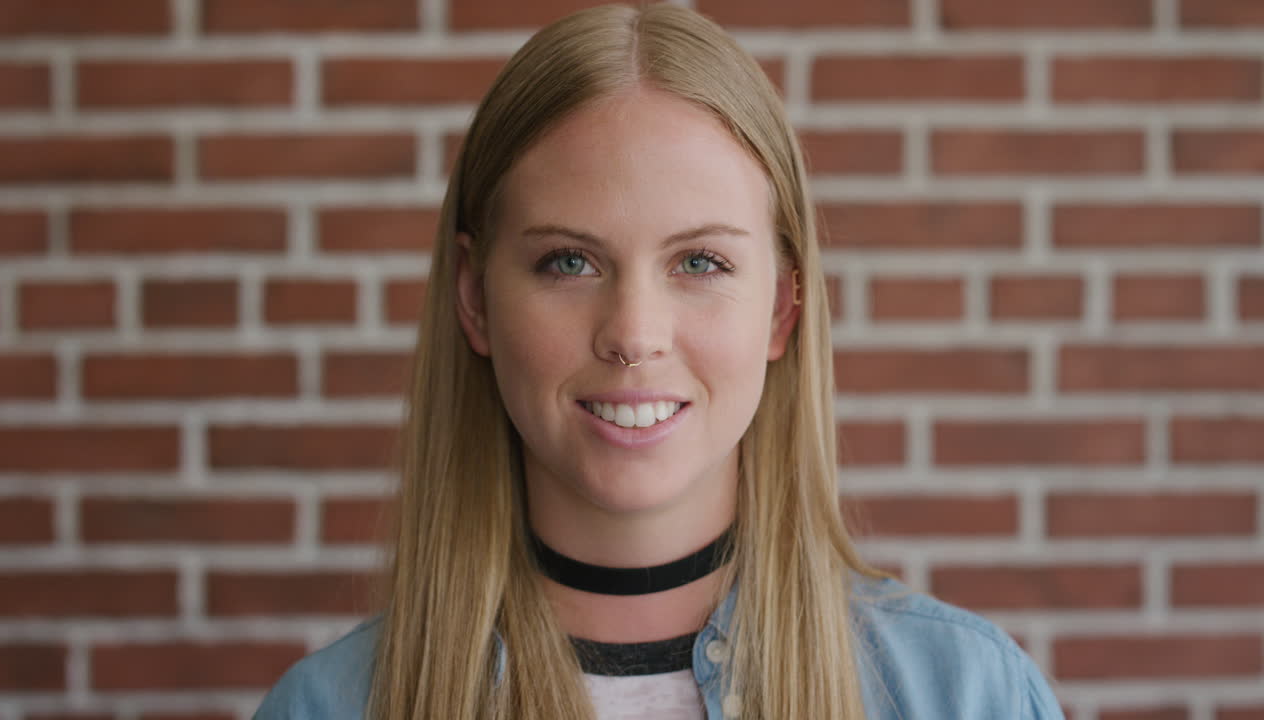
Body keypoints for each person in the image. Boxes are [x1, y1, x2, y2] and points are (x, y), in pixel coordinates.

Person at [252, 4, 1064, 719]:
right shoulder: (329, 708)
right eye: (570, 261)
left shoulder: (966, 695)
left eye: (700, 263)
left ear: (783, 308)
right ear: (474, 300)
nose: (634, 334)